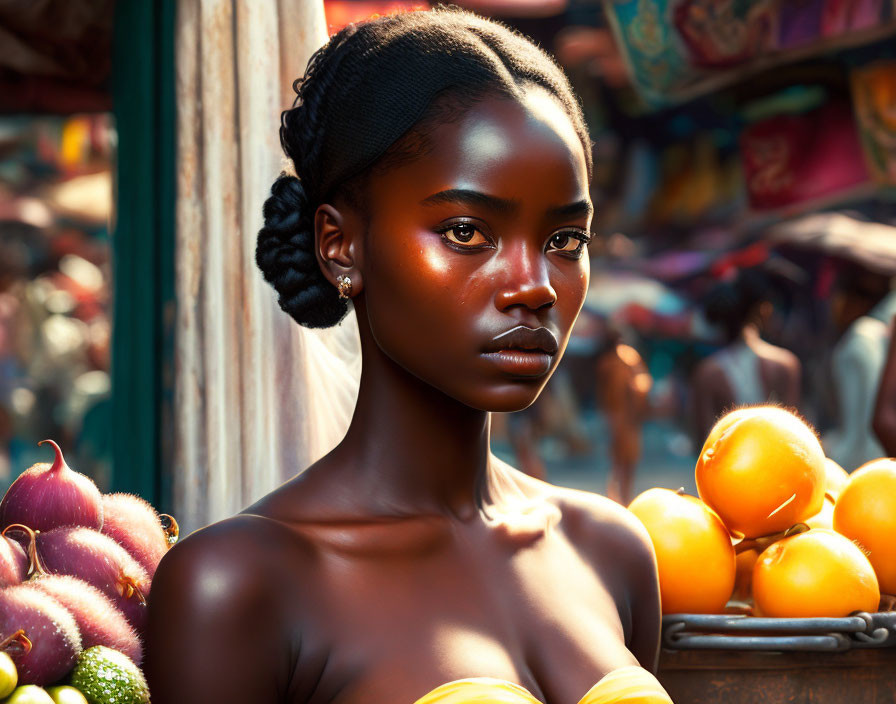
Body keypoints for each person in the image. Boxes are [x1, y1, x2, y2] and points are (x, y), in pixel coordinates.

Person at [145, 10, 668, 704]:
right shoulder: (239, 586)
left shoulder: (612, 552)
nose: (534, 286)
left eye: (566, 240)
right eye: (466, 231)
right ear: (340, 245)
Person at [692, 269, 800, 442]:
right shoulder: (785, 364)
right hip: (777, 464)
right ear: (763, 309)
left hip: (729, 467)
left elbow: (704, 442)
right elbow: (796, 434)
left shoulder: (708, 372)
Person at [595, 326, 652, 505]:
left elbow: (642, 383)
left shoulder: (626, 358)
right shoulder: (609, 362)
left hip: (625, 416)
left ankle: (622, 499)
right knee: (620, 462)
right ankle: (619, 499)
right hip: (620, 416)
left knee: (625, 462)